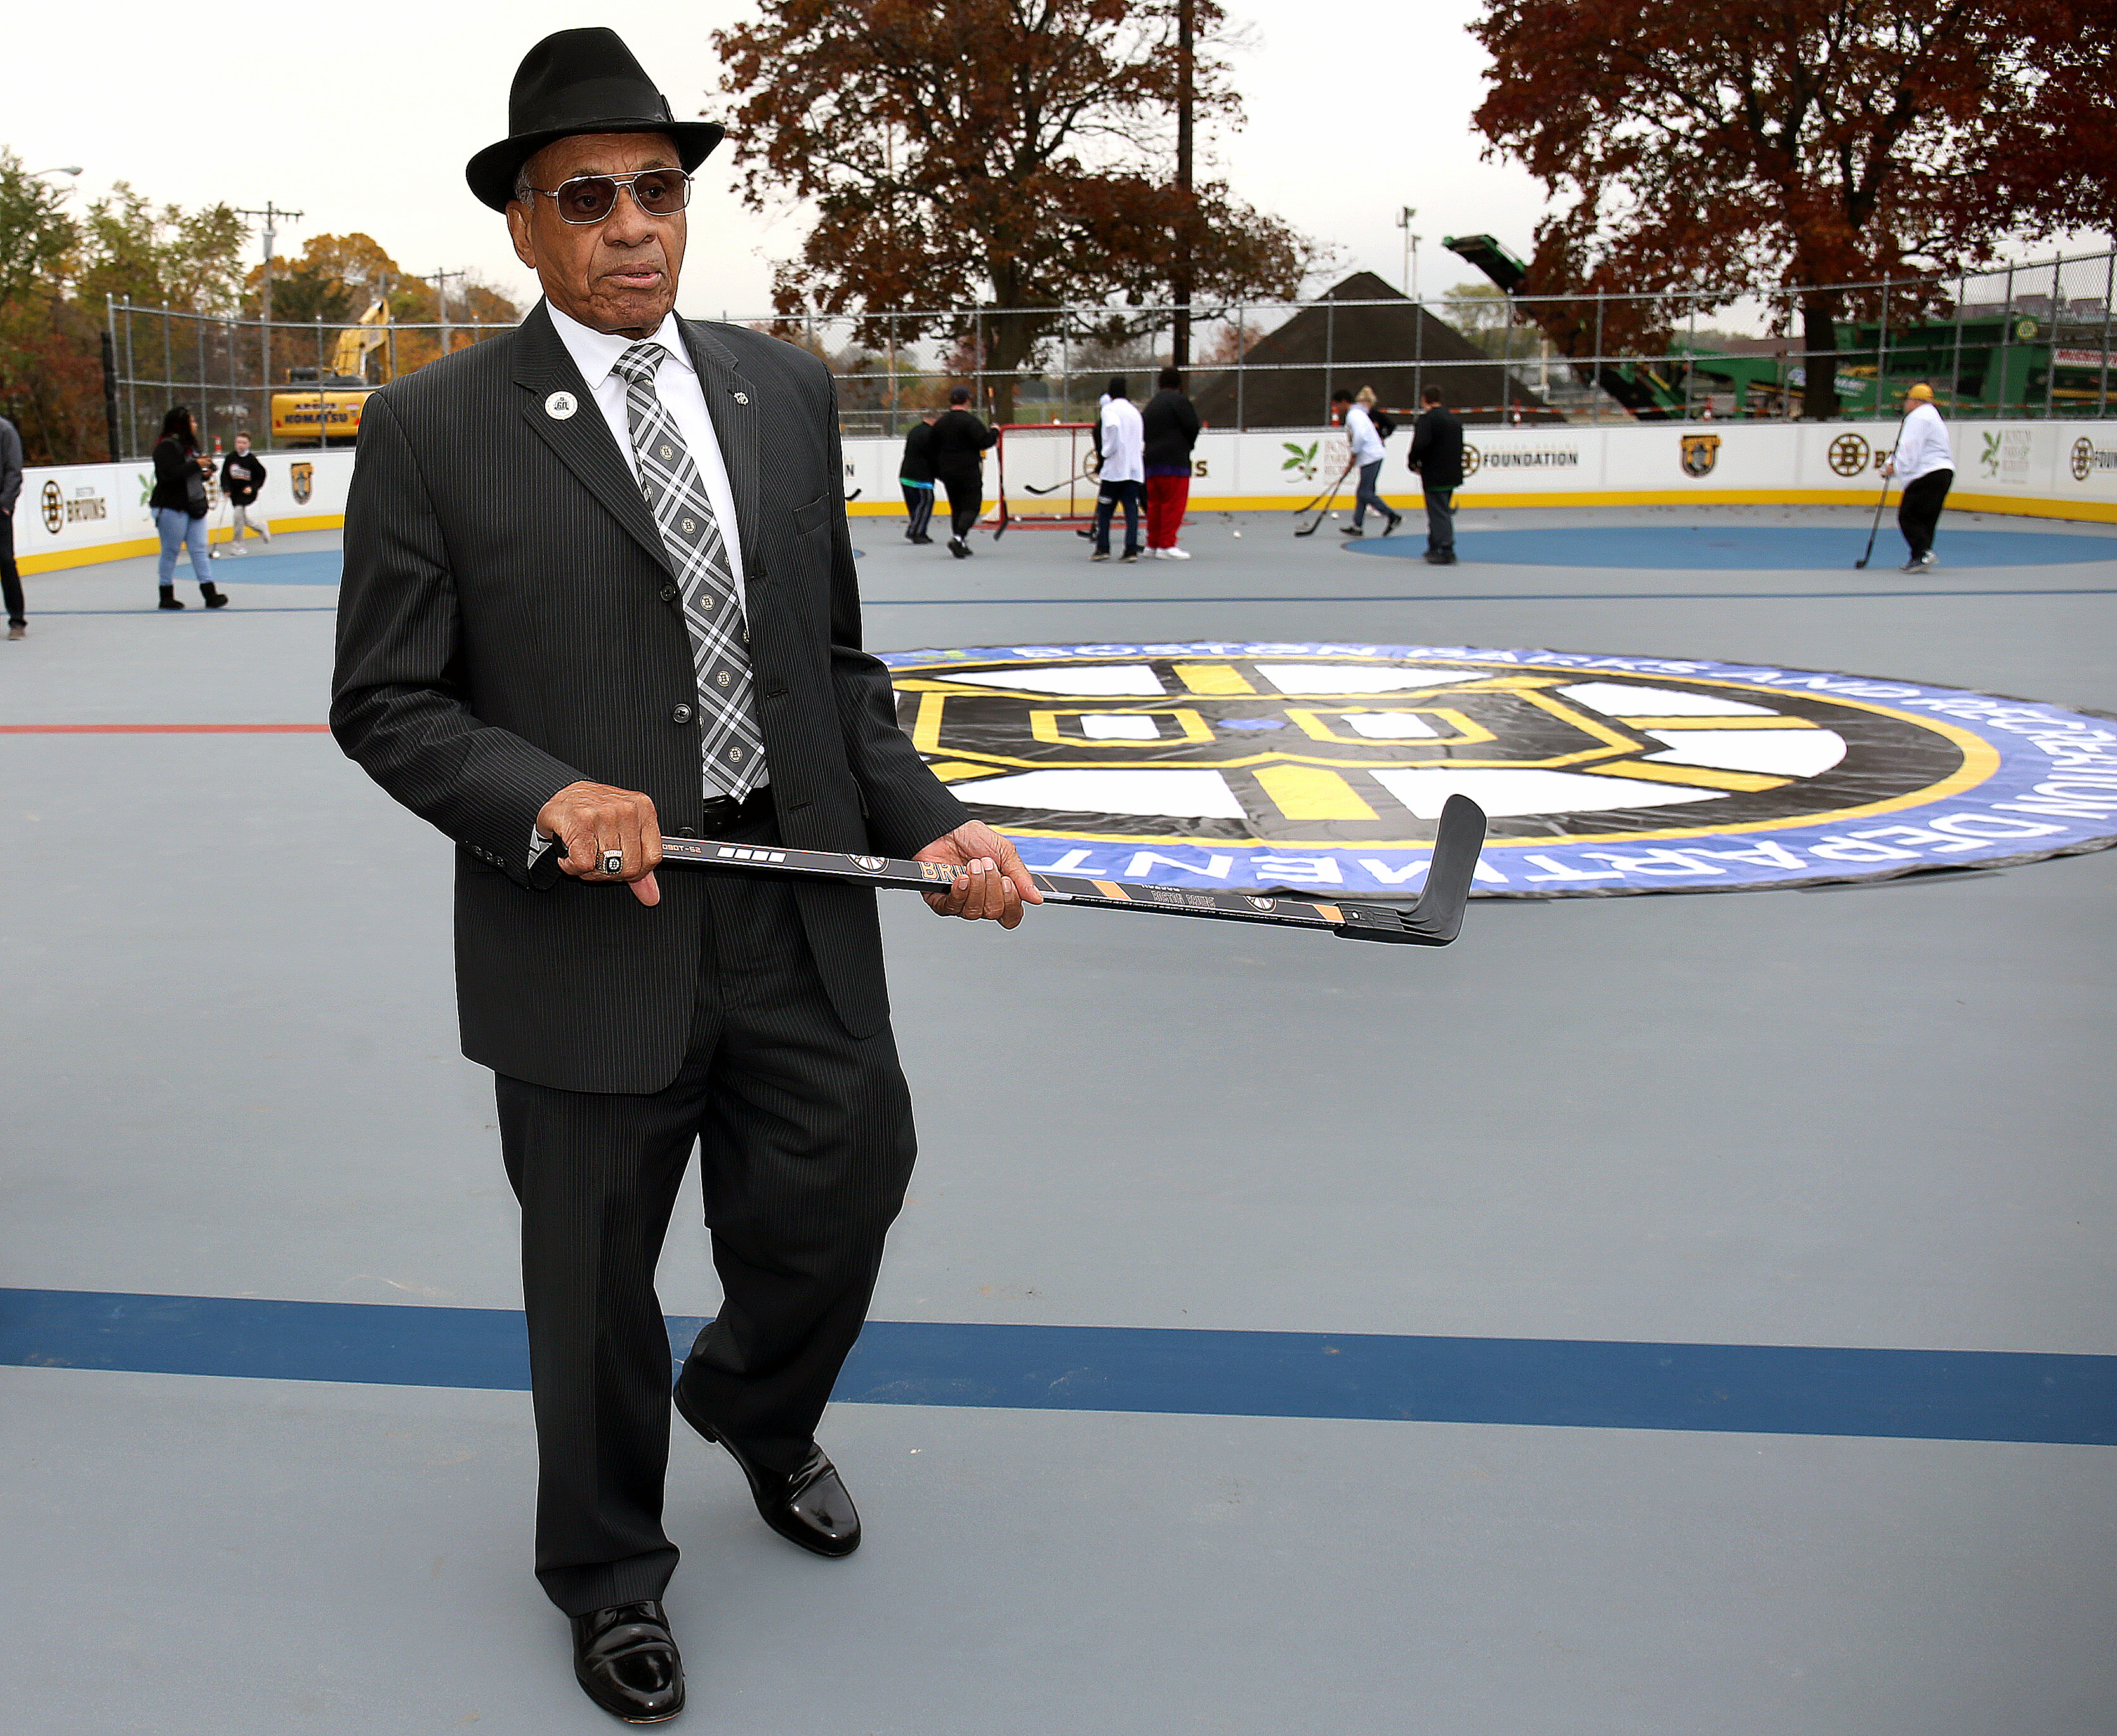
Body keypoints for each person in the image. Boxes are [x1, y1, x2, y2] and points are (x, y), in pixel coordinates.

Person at [331, 27, 1042, 1725]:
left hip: (792, 896)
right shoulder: (431, 428)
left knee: (848, 1180)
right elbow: (387, 701)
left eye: (662, 187)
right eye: (590, 195)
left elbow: (834, 672)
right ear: (525, 224)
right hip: (584, 930)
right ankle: (608, 1572)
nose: (636, 222)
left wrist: (931, 823)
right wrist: (544, 792)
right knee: (588, 1283)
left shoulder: (783, 391)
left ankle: (755, 1402)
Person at [148, 406, 228, 609]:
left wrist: (204, 472)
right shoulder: (166, 446)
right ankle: (166, 594)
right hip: (171, 507)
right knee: (171, 550)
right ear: (181, 424)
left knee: (200, 549)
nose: (195, 425)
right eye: (192, 422)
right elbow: (168, 475)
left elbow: (186, 474)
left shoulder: (189, 447)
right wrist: (195, 465)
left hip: (193, 505)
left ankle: (210, 594)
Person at [1882, 381, 1953, 572]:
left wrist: (1893, 467)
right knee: (1927, 519)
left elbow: (1908, 447)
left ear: (1914, 401)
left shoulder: (1917, 417)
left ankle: (1922, 553)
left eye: (1906, 400)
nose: (1905, 404)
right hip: (1944, 472)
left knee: (1908, 516)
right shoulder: (1933, 416)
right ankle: (1920, 556)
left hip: (1927, 474)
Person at [928, 384, 996, 558]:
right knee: (972, 506)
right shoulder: (970, 422)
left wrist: (938, 470)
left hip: (948, 472)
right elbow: (984, 441)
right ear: (967, 401)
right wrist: (995, 432)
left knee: (957, 507)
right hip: (968, 469)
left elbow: (932, 447)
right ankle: (958, 537)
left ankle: (961, 542)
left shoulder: (941, 423)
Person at [1140, 365, 1201, 560]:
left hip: (1151, 461)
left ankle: (1153, 543)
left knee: (1155, 504)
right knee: (1173, 504)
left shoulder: (1152, 404)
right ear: (1179, 384)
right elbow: (1192, 427)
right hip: (1175, 461)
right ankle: (1167, 545)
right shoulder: (1180, 402)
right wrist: (1187, 447)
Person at [1407, 385, 1465, 565]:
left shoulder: (1427, 421)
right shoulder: (1454, 420)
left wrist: (1413, 461)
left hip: (1434, 473)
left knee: (1438, 512)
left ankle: (1446, 548)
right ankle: (1434, 544)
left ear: (1424, 400)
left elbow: (1420, 445)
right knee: (1441, 509)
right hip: (1452, 473)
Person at [1331, 386, 1399, 537]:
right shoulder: (1356, 414)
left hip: (1371, 457)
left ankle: (1393, 516)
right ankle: (1357, 526)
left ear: (1344, 402)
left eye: (1336, 405)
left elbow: (1360, 436)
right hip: (1369, 458)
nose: (1336, 409)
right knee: (1363, 492)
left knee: (1365, 493)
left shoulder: (1354, 415)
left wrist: (1354, 457)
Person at [1090, 374, 1144, 562]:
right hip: (1134, 471)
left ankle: (1103, 548)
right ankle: (1131, 550)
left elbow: (1112, 428)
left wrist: (1106, 452)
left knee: (1105, 511)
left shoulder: (1109, 410)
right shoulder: (1135, 411)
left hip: (1114, 471)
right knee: (1131, 511)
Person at [216, 431, 270, 553]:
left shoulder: (252, 460)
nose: (241, 445)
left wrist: (252, 487)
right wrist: (226, 489)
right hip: (234, 493)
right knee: (242, 518)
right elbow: (225, 475)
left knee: (237, 515)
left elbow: (261, 475)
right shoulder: (230, 458)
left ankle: (238, 544)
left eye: (244, 443)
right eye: (238, 442)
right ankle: (261, 528)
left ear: (249, 444)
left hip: (247, 493)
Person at [897, 407, 939, 544]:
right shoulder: (931, 434)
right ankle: (915, 531)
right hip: (921, 477)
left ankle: (920, 530)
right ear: (935, 420)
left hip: (906, 475)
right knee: (926, 502)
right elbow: (933, 456)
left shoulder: (914, 431)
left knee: (916, 507)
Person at [0, 411, 23, 640]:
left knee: (6, 561)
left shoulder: (5, 431)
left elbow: (14, 471)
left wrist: (5, 504)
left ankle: (17, 620)